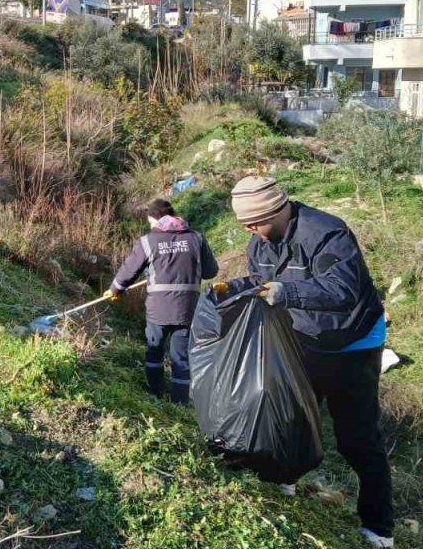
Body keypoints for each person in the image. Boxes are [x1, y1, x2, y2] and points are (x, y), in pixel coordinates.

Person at [220, 176, 394, 548]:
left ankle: (379, 527)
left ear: (275, 210)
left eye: (254, 222)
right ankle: (286, 476)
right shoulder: (260, 244)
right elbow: (261, 285)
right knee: (292, 418)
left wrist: (286, 291)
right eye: (244, 225)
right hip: (305, 341)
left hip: (354, 344)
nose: (250, 231)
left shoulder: (327, 233)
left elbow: (342, 291)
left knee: (357, 439)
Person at [105, 199, 220, 404]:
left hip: (158, 309)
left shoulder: (149, 241)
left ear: (154, 218)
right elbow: (211, 271)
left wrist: (115, 289)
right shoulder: (197, 238)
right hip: (187, 309)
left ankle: (156, 393)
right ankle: (180, 402)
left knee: (154, 348)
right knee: (181, 355)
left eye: (150, 221)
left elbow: (129, 270)